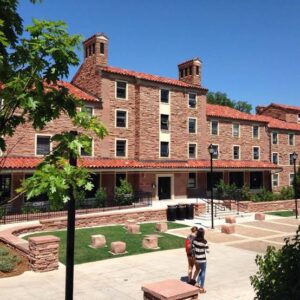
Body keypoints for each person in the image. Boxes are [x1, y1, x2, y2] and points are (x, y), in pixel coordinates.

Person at [192, 228, 209, 293]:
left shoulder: (194, 241)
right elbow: (208, 251)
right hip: (203, 259)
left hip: (197, 259)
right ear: (203, 234)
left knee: (201, 271)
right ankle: (201, 288)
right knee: (203, 272)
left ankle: (197, 283)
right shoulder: (205, 242)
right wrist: (207, 247)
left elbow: (193, 249)